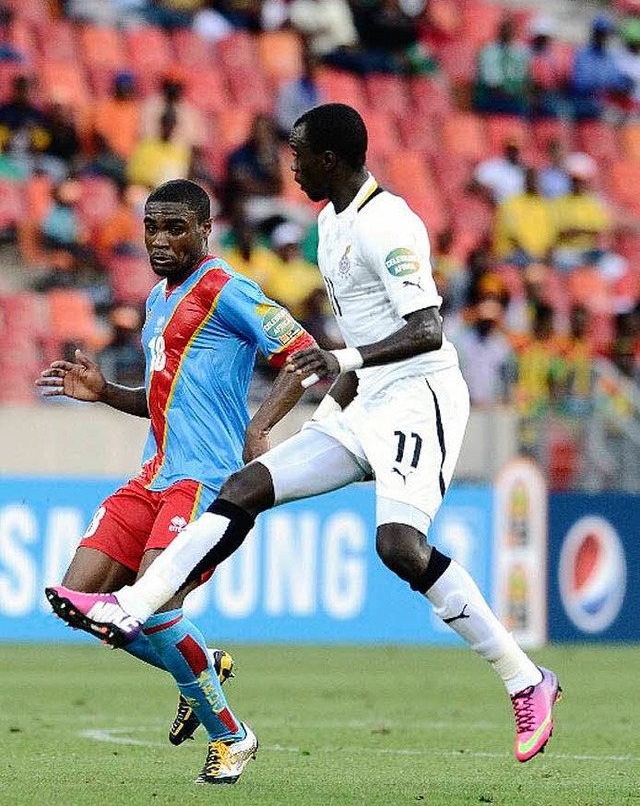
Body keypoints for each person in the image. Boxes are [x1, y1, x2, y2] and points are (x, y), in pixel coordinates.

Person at [47, 106, 561, 765]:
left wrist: (339, 366)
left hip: (420, 397)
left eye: (299, 154)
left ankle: (526, 679)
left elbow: (427, 329)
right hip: (364, 400)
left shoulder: (388, 222)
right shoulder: (328, 222)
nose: (290, 165)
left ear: (331, 159)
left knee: (399, 547)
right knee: (247, 486)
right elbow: (362, 339)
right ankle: (136, 609)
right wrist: (327, 414)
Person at [39, 178, 315, 784]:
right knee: (73, 600)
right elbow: (165, 401)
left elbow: (302, 349)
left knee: (156, 604)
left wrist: (259, 426)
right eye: (152, 228)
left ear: (203, 230)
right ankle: (201, 667)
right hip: (153, 475)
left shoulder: (226, 288)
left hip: (206, 483)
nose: (160, 240)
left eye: (175, 228)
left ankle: (232, 735)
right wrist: (104, 392)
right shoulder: (159, 300)